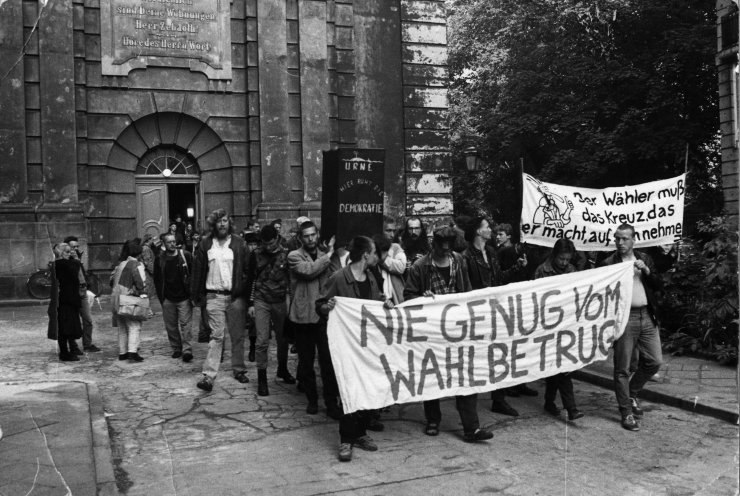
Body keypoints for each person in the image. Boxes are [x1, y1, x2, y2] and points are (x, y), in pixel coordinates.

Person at [404, 226, 493, 443]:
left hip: (458, 329)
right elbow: (408, 295)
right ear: (433, 245)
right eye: (441, 248)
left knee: (465, 374)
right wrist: (421, 297)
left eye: (448, 249)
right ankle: (433, 420)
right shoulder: (419, 266)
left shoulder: (459, 262)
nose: (445, 252)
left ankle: (471, 427)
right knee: (432, 374)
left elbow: (468, 291)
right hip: (432, 330)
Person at [316, 236, 391, 462]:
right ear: (365, 254)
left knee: (367, 389)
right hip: (346, 346)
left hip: (366, 345)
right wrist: (326, 307)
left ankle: (361, 433)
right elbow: (319, 304)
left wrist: (385, 303)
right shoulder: (339, 278)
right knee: (349, 391)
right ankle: (346, 440)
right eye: (374, 252)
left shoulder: (371, 278)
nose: (377, 256)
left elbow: (376, 303)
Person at [599, 223, 663, 431]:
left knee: (654, 361)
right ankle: (626, 412)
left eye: (625, 238)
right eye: (617, 238)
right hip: (624, 318)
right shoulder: (609, 262)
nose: (620, 242)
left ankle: (632, 392)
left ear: (634, 240)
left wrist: (646, 270)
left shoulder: (644, 259)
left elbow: (658, 284)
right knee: (623, 368)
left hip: (646, 315)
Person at [461, 217, 520, 417]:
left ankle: (499, 399)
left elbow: (498, 279)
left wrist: (516, 268)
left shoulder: (492, 253)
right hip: (477, 314)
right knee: (475, 357)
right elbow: (465, 288)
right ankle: (468, 402)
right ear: (478, 231)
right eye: (487, 227)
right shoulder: (466, 256)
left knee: (500, 353)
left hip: (495, 311)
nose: (491, 230)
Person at [191, 209, 250, 392]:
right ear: (213, 225)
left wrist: (247, 296)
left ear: (229, 223)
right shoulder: (206, 244)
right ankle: (209, 376)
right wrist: (196, 295)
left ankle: (239, 369)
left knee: (237, 335)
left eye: (225, 221)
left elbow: (247, 270)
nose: (222, 224)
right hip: (214, 296)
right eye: (219, 221)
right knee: (217, 336)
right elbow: (198, 270)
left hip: (235, 297)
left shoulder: (239, 243)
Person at [287, 221, 342, 418]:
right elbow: (309, 271)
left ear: (317, 235)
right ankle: (312, 400)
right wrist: (328, 255)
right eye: (306, 236)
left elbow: (336, 275)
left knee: (328, 362)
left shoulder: (324, 255)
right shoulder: (294, 256)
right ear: (300, 238)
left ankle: (331, 402)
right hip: (302, 317)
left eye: (313, 235)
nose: (310, 239)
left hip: (324, 315)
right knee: (306, 362)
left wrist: (331, 254)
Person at [534, 238, 584, 421]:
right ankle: (571, 408)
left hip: (565, 325)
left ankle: (552, 403)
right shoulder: (542, 271)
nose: (564, 263)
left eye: (567, 259)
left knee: (561, 367)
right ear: (555, 255)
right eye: (561, 259)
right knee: (561, 367)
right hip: (547, 326)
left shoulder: (572, 271)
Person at [246, 225, 296, 396]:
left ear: (278, 238)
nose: (269, 247)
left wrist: (291, 302)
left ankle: (282, 369)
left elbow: (291, 279)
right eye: (266, 243)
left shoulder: (287, 253)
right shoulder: (256, 254)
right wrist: (251, 303)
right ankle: (262, 379)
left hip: (280, 300)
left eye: (272, 242)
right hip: (261, 300)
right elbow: (251, 279)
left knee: (283, 339)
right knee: (261, 341)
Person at [154, 233, 194, 362]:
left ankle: (187, 350)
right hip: (168, 298)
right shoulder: (160, 259)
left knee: (186, 325)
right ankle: (177, 348)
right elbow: (157, 279)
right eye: (169, 242)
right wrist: (162, 298)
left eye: (173, 241)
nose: (172, 244)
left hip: (184, 297)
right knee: (171, 326)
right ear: (164, 244)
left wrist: (192, 294)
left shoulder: (185, 255)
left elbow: (193, 274)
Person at [111, 241, 147, 362]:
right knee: (134, 326)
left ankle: (123, 353)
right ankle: (133, 352)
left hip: (116, 298)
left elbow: (112, 281)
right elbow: (140, 282)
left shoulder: (121, 264)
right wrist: (143, 295)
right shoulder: (136, 264)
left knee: (122, 326)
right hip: (128, 298)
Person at [48, 243, 85, 361]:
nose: (70, 254)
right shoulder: (64, 264)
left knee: (64, 327)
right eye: (68, 252)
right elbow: (75, 268)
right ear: (62, 253)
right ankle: (65, 353)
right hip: (67, 300)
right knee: (66, 328)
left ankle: (66, 351)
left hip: (62, 299)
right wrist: (75, 258)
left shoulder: (57, 264)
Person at [64, 235, 101, 353]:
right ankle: (73, 346)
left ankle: (87, 344)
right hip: (72, 294)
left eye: (76, 247)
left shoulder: (77, 258)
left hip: (82, 292)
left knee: (88, 320)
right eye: (72, 247)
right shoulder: (64, 260)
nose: (75, 249)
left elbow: (81, 274)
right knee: (72, 321)